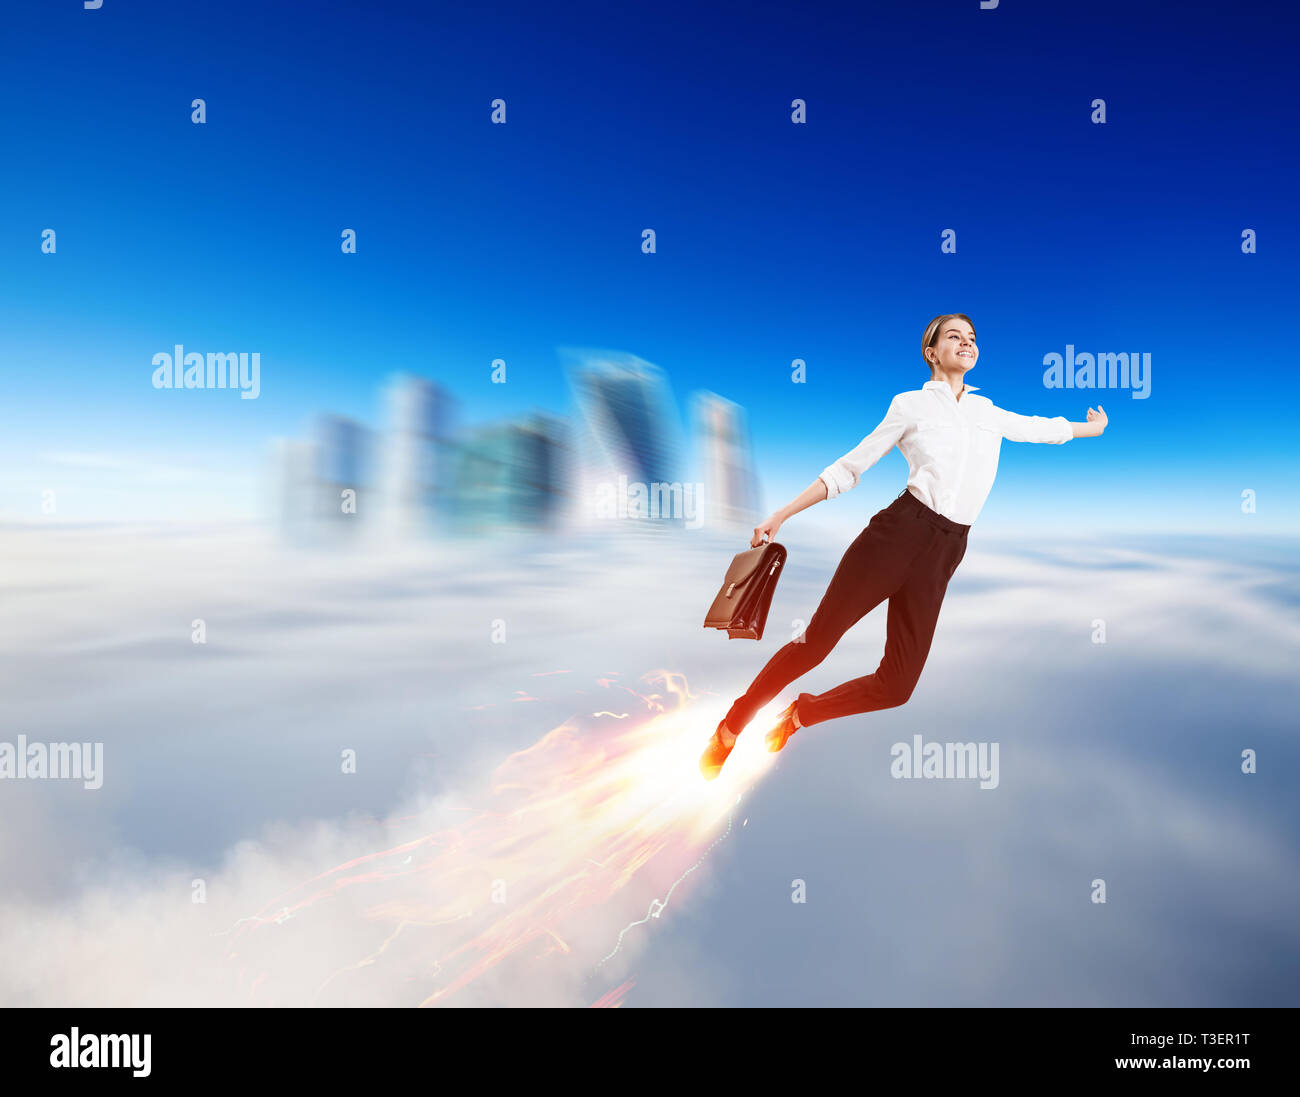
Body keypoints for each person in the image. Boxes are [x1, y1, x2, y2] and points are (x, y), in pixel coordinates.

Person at [700, 313, 1107, 779]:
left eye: (972, 338)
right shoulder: (910, 405)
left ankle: (800, 714)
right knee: (815, 645)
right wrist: (782, 514)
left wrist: (1090, 429)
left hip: (946, 551)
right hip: (896, 536)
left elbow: (1039, 428)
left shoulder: (987, 411)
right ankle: (731, 726)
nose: (966, 343)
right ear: (932, 352)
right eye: (954, 336)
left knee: (897, 686)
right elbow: (851, 467)